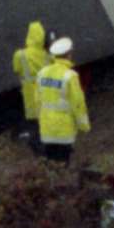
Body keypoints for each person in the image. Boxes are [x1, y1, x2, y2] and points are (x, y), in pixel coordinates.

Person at [31, 38, 91, 166]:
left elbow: (37, 100)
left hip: (47, 128)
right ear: (69, 54)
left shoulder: (42, 73)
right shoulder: (70, 76)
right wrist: (83, 125)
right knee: (63, 164)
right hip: (64, 129)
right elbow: (78, 104)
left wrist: (40, 120)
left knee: (51, 163)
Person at [11, 22, 51, 142]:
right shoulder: (47, 55)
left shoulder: (20, 55)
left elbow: (16, 69)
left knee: (34, 119)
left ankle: (39, 145)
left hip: (29, 93)